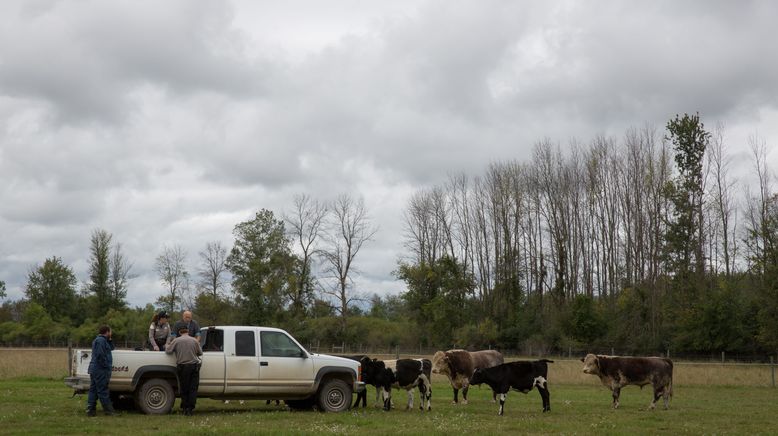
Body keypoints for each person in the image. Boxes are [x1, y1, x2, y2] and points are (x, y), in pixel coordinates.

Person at [165, 326, 203, 416]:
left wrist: (167, 345)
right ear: (188, 331)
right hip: (194, 366)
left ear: (179, 332)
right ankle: (190, 408)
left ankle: (185, 408)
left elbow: (168, 351)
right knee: (193, 388)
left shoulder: (176, 341)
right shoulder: (194, 340)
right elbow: (200, 352)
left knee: (184, 388)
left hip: (182, 367)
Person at [86, 325, 116, 417]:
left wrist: (110, 339)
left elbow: (112, 348)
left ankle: (91, 410)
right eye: (110, 332)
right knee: (103, 390)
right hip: (100, 369)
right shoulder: (100, 341)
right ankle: (109, 411)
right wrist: (106, 366)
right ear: (107, 332)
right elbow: (100, 355)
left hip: (95, 369)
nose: (111, 333)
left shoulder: (102, 340)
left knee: (93, 390)